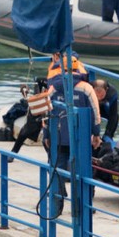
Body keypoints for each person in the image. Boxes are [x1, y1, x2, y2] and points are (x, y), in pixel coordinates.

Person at [44, 57, 102, 213]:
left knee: (57, 169)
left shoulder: (53, 89)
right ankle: (82, 207)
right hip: (80, 139)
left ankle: (57, 204)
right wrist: (96, 133)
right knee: (82, 172)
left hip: (59, 138)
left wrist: (46, 135)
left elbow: (45, 113)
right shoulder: (86, 88)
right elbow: (95, 113)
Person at [91, 79, 119, 144]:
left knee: (115, 116)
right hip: (92, 107)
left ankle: (108, 136)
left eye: (101, 95)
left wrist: (108, 133)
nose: (99, 98)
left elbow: (113, 114)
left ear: (106, 90)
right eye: (96, 94)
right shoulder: (88, 88)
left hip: (104, 108)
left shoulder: (112, 93)